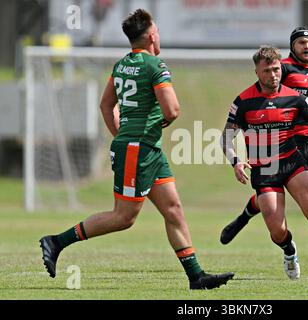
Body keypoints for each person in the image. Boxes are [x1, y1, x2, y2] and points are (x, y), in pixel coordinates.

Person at [39, 9, 233, 290]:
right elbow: (173, 110)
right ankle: (56, 242)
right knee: (124, 217)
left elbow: (106, 105)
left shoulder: (120, 65)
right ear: (152, 35)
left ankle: (196, 276)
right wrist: (146, 130)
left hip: (146, 149)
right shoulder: (156, 65)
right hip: (139, 149)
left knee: (173, 209)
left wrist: (123, 134)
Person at [220, 27, 308, 272]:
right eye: (302, 42)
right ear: (292, 46)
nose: (307, 47)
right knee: (275, 213)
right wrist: (236, 159)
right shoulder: (281, 69)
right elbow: (240, 123)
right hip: (284, 143)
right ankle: (261, 225)